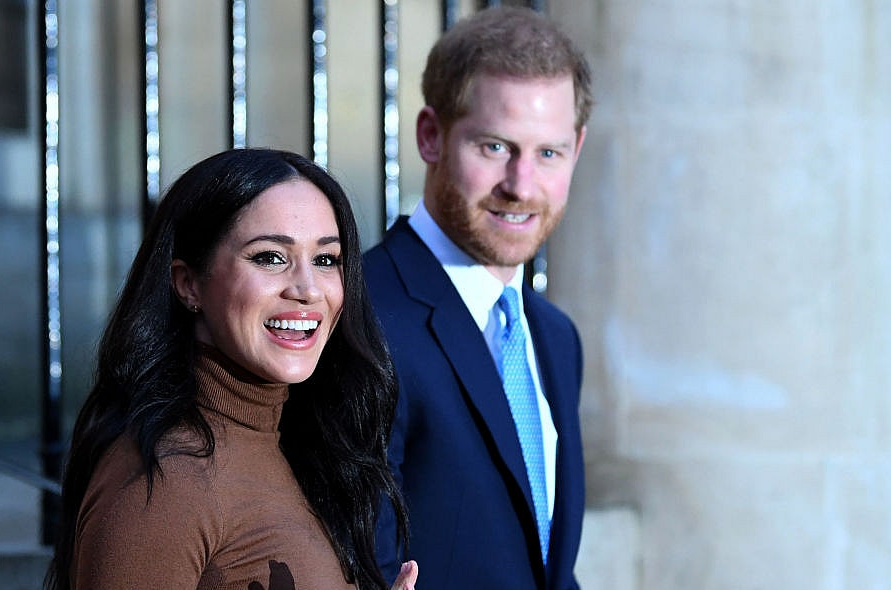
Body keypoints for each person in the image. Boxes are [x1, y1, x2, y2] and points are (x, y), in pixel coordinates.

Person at [45, 148, 418, 590]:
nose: (307, 289)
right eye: (269, 257)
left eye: (325, 260)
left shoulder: (298, 443)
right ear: (188, 284)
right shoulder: (166, 481)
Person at [365, 7, 592, 590]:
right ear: (430, 136)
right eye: (495, 147)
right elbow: (363, 567)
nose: (521, 185)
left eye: (549, 153)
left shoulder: (556, 338)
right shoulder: (362, 316)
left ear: (578, 147)